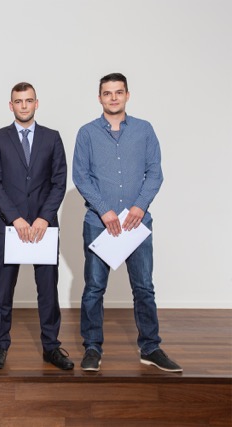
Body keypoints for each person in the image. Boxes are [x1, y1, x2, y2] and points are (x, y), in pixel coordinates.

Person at [72, 72, 182, 372]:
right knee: (94, 288)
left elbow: (155, 172)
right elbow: (81, 176)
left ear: (127, 95)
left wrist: (139, 206)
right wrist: (104, 210)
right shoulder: (87, 133)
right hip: (99, 224)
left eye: (118, 92)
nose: (113, 98)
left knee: (144, 287)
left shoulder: (145, 130)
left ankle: (151, 347)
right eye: (107, 93)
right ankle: (92, 348)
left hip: (137, 225)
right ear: (99, 98)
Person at [0, 82, 73, 370]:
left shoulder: (52, 138)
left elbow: (59, 181)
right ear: (11, 105)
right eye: (18, 101)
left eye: (28, 100)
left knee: (48, 290)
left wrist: (44, 217)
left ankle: (51, 347)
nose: (23, 106)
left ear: (37, 103)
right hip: (9, 225)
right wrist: (16, 218)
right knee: (3, 290)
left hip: (43, 227)